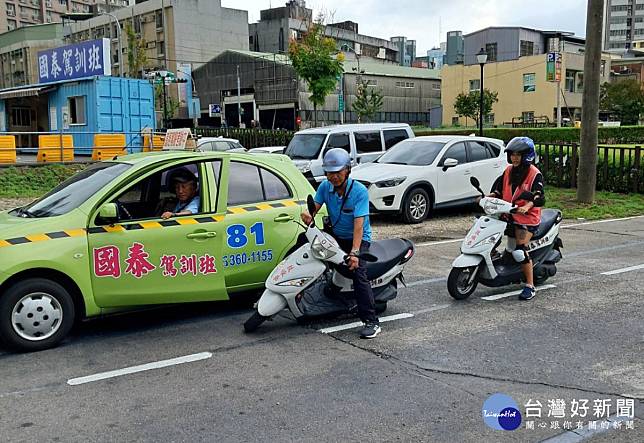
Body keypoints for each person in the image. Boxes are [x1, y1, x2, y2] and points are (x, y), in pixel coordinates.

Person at [300, 148, 381, 338]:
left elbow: (359, 225)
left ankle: (371, 321)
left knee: (358, 273)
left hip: (358, 239)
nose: (333, 176)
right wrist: (308, 215)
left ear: (347, 170)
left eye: (337, 172)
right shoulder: (324, 187)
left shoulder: (359, 192)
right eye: (329, 172)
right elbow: (315, 207)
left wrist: (354, 253)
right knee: (304, 245)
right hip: (336, 234)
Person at [486, 137, 545, 300]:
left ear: (527, 155)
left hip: (527, 219)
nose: (514, 158)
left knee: (519, 251)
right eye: (512, 154)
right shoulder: (508, 171)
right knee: (490, 235)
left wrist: (527, 206)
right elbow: (498, 190)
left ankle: (530, 286)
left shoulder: (535, 174)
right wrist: (487, 197)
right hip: (508, 214)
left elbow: (539, 196)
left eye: (519, 154)